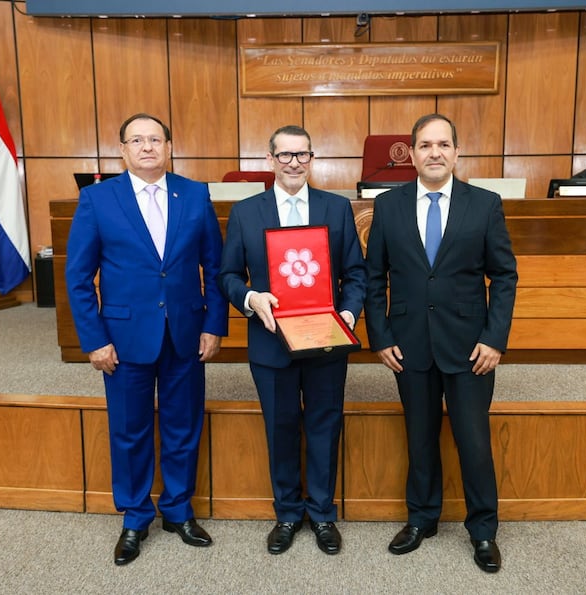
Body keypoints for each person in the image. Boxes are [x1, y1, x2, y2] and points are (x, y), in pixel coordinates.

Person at [65, 113, 228, 566]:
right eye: (136, 140)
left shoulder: (194, 195)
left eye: (155, 139)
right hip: (122, 339)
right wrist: (94, 339)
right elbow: (78, 277)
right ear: (122, 150)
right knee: (130, 431)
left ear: (170, 146)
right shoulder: (97, 199)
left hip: (185, 334)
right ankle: (136, 517)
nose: (147, 147)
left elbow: (213, 268)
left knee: (183, 427)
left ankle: (177, 510)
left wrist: (214, 324)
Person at [364, 113, 518, 573]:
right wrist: (380, 337)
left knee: (473, 441)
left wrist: (494, 339)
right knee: (420, 437)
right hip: (408, 345)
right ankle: (422, 519)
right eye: (425, 145)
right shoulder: (387, 206)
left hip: (471, 347)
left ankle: (484, 531)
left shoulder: (485, 204)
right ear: (411, 154)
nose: (435, 152)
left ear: (456, 152)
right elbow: (375, 279)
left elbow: (504, 276)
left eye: (443, 144)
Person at [219, 125, 367, 556]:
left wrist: (346, 312)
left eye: (301, 154)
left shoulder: (336, 209)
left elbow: (356, 275)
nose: (293, 163)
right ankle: (286, 512)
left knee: (324, 426)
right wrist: (249, 297)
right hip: (270, 342)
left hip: (325, 340)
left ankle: (321, 513)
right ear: (270, 160)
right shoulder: (246, 213)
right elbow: (228, 275)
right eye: (284, 155)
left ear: (311, 159)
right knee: (280, 428)